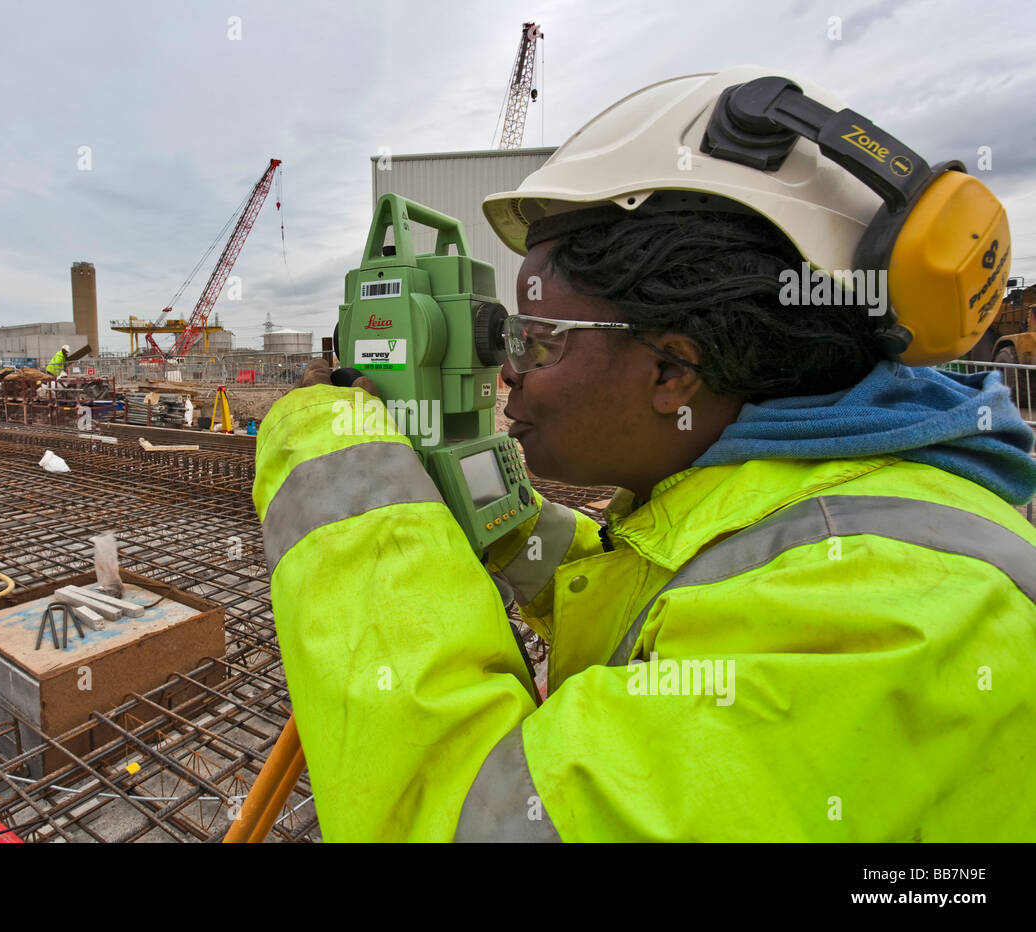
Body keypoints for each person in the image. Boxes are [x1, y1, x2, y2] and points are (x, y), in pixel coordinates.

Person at [252, 66, 1036, 842]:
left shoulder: (888, 619)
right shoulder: (824, 515)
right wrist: (513, 535)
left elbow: (468, 820)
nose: (509, 368)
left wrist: (339, 462)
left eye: (540, 338)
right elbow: (683, 596)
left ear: (672, 370)